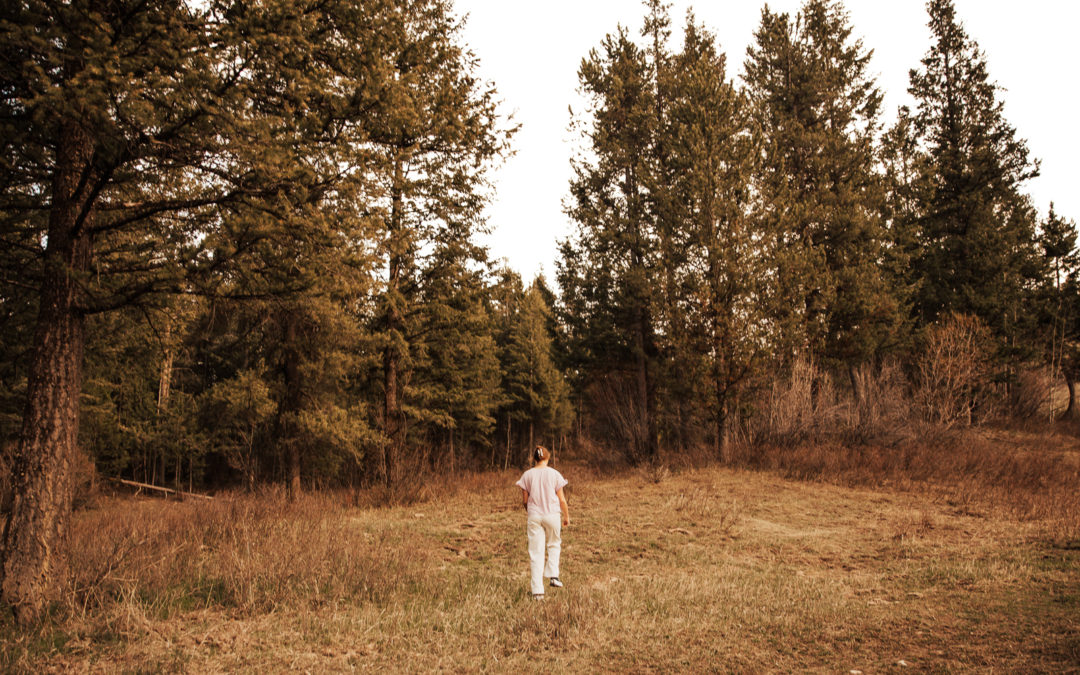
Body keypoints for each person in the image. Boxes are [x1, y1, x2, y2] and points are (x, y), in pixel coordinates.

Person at [515, 445, 569, 599]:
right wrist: (566, 516)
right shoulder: (554, 474)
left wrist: (531, 511)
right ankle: (553, 576)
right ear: (547, 457)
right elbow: (562, 500)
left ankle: (537, 592)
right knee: (554, 544)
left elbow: (525, 501)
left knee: (536, 552)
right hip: (552, 515)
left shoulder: (527, 475)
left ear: (534, 458)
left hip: (534, 516)